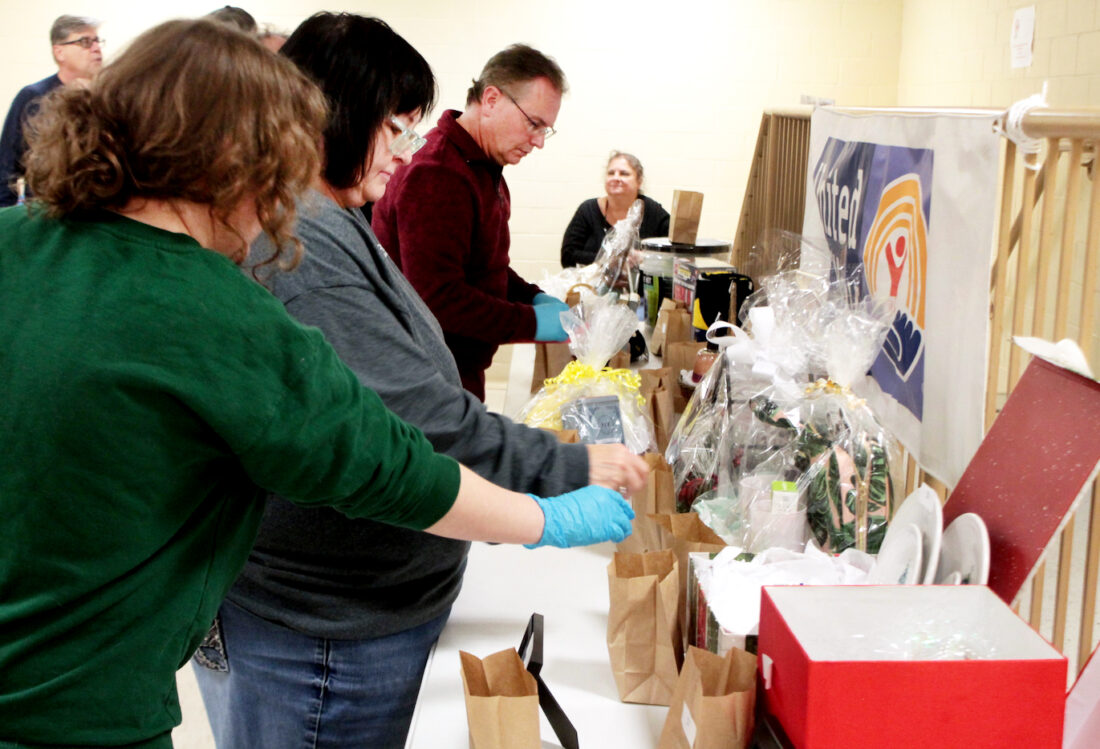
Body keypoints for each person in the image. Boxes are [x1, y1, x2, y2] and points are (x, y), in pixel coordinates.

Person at [0, 19, 634, 748]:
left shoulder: (18, 241)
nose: (280, 204)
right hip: (87, 709)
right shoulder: (213, 303)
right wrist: (544, 517)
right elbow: (384, 466)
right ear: (234, 159)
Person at [190, 15, 650, 749]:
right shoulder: (304, 240)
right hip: (322, 632)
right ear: (334, 115)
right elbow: (414, 418)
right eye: (393, 128)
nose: (402, 151)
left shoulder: (335, 214)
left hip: (360, 610)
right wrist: (557, 476)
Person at [372, 44, 572, 402]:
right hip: (428, 380)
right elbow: (439, 299)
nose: (539, 142)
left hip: (457, 370)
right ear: (491, 99)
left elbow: (483, 265)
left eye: (546, 130)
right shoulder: (438, 173)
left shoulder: (481, 167)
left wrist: (531, 296)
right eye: (534, 124)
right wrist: (533, 322)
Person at [0, 15, 103, 207]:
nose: (96, 48)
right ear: (59, 52)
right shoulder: (33, 98)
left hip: (101, 211)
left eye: (97, 41)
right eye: (85, 42)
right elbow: (6, 165)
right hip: (47, 210)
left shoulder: (109, 98)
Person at [560, 151, 670, 268]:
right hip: (591, 280)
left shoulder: (652, 211)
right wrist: (613, 262)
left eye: (624, 174)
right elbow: (568, 256)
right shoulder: (587, 210)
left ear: (639, 181)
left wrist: (644, 259)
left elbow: (675, 253)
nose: (616, 178)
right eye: (611, 173)